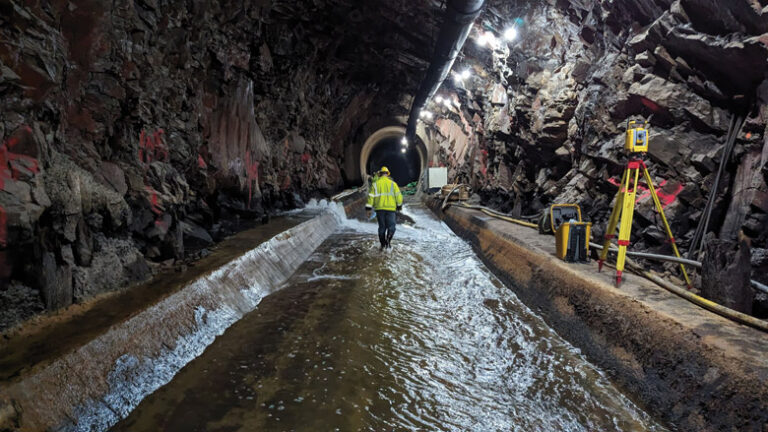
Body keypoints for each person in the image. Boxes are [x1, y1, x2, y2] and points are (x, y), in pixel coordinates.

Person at [366, 167, 403, 250]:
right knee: (391, 227)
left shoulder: (375, 184)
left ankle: (383, 244)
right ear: (387, 174)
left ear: (379, 174)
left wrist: (368, 209)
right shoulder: (393, 184)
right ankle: (388, 242)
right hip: (391, 210)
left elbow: (370, 197)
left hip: (379, 210)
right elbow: (399, 196)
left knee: (382, 227)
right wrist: (399, 206)